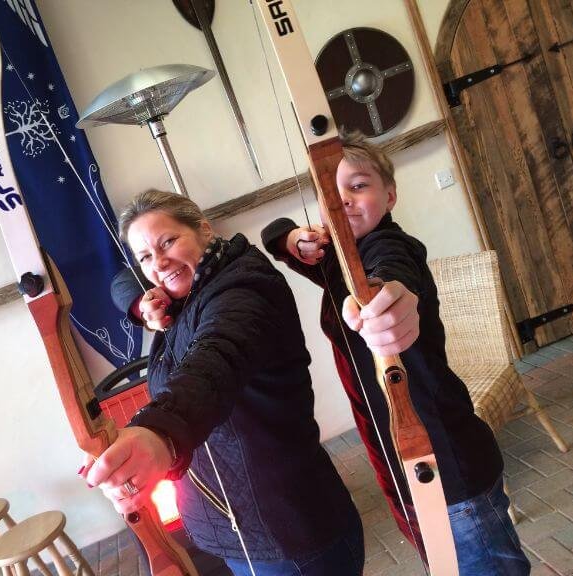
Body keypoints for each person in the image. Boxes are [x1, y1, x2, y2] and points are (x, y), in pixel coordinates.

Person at [261, 131, 530, 575]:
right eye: (333, 190)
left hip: (449, 464)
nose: (344, 199)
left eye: (359, 185)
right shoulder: (338, 259)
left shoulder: (389, 245)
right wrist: (293, 239)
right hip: (406, 466)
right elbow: (274, 236)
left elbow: (393, 273)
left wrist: (389, 297)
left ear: (390, 196)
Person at [85, 189, 366, 576]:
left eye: (168, 241)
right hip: (239, 530)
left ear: (203, 229)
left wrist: (159, 432)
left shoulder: (244, 288)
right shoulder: (182, 290)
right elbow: (122, 282)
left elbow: (218, 357)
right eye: (145, 256)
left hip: (288, 535)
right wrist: (139, 303)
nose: (159, 262)